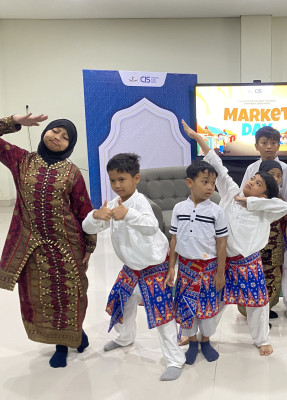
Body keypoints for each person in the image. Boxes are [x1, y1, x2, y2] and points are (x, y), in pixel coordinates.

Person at [181, 120, 287, 356]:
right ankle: (196, 335)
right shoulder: (231, 192)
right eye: (253, 179)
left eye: (258, 184)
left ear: (264, 194)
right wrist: (199, 139)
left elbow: (284, 207)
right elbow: (218, 167)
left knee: (258, 303)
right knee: (215, 300)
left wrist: (250, 202)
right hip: (222, 262)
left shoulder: (265, 209)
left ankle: (262, 339)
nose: (251, 182)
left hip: (249, 263)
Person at [0, 114, 96, 368]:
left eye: (65, 137)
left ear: (70, 145)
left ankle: (66, 342)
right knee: (42, 297)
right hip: (32, 246)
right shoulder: (22, 161)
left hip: (67, 245)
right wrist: (14, 121)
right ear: (45, 132)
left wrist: (89, 245)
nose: (58, 138)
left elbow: (83, 210)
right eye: (55, 131)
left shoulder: (72, 173)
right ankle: (70, 339)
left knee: (68, 294)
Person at [82, 153, 185, 380]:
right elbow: (88, 228)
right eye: (113, 180)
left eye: (122, 179)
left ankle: (175, 360)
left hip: (154, 269)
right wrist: (95, 215)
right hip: (131, 268)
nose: (117, 185)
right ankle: (125, 338)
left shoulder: (140, 203)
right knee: (122, 303)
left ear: (136, 178)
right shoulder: (112, 205)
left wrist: (128, 214)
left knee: (162, 316)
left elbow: (151, 226)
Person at [167, 159, 228, 365]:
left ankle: (206, 341)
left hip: (208, 271)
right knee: (187, 308)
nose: (210, 187)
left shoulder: (217, 211)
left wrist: (220, 273)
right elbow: (174, 239)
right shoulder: (179, 208)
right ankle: (192, 342)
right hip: (185, 270)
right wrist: (171, 268)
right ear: (189, 182)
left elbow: (221, 243)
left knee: (208, 309)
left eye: (213, 183)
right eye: (205, 182)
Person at [239, 126, 287, 319]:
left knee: (281, 264)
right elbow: (243, 194)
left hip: (278, 224)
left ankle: (285, 303)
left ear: (279, 145)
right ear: (257, 146)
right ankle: (252, 306)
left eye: (273, 143)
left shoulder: (284, 168)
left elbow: (286, 199)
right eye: (264, 143)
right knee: (256, 263)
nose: (269, 147)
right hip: (255, 223)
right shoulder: (252, 168)